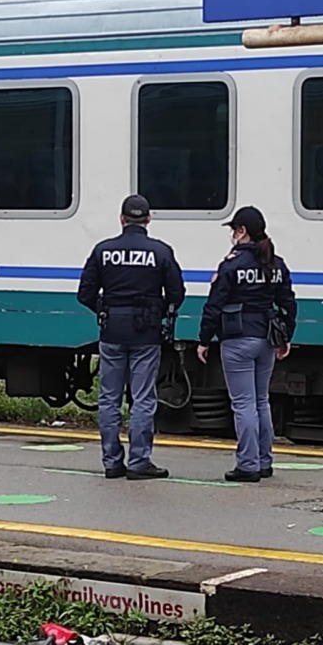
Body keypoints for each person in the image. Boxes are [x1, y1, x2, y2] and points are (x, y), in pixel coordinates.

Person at [77, 195, 186, 480]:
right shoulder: (160, 252)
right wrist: (156, 311)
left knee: (109, 399)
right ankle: (139, 462)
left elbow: (85, 294)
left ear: (122, 219)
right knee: (143, 398)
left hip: (111, 330)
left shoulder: (103, 250)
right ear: (148, 219)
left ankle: (112, 462)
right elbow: (177, 294)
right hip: (146, 334)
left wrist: (106, 309)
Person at [197, 206, 297, 482]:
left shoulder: (231, 265)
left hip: (237, 339)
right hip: (266, 339)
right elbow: (288, 303)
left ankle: (248, 465)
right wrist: (286, 335)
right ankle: (264, 462)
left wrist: (204, 339)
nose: (232, 235)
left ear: (242, 232)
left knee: (243, 404)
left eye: (234, 230)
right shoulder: (276, 264)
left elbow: (214, 305)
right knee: (261, 401)